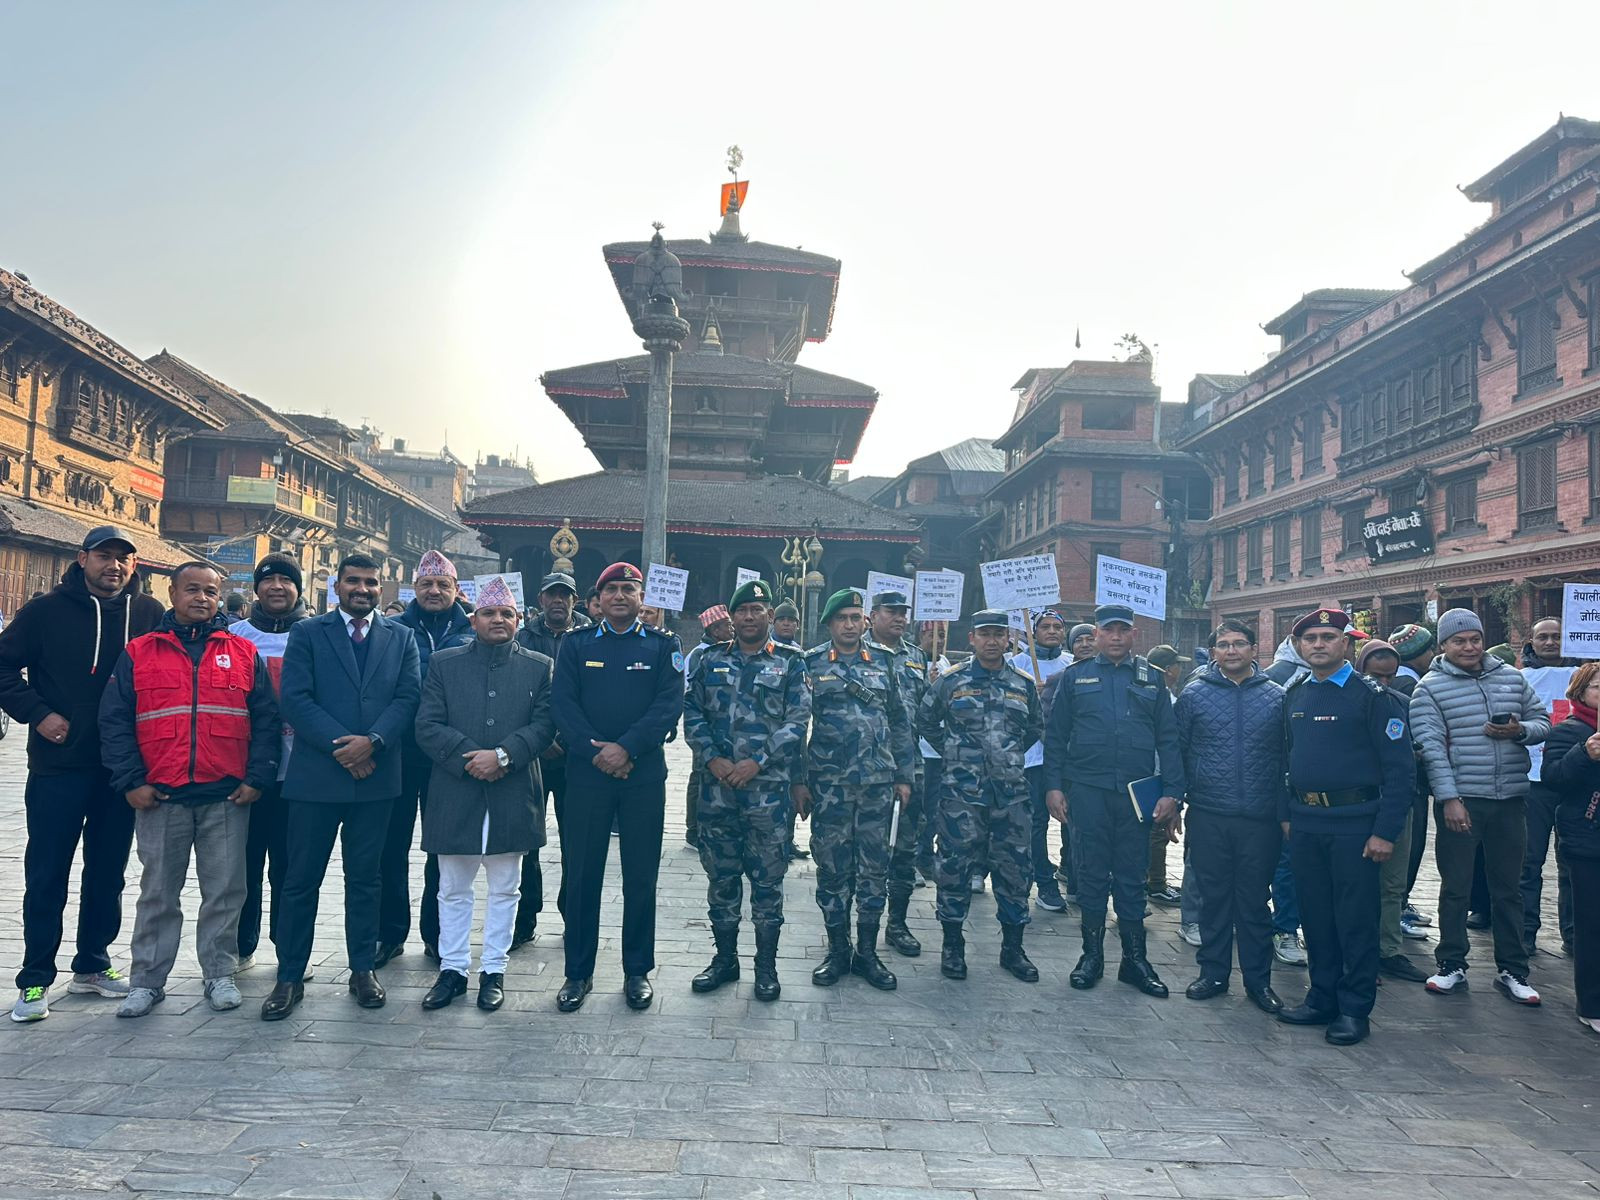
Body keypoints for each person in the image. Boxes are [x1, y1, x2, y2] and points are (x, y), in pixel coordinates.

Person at [97, 563, 279, 1016]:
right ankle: (147, 981)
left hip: (226, 795)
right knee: (158, 894)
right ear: (172, 592)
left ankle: (220, 973)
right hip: (161, 795)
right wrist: (131, 781)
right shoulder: (140, 652)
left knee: (225, 891)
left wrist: (256, 778)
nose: (201, 598)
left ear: (220, 597)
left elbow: (266, 719)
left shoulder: (242, 651)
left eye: (210, 592)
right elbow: (114, 720)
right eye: (192, 589)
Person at [0, 525, 162, 1022]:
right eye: (104, 556)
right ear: (82, 558)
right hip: (59, 765)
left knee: (108, 872)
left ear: (134, 565)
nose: (114, 566)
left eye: (123, 558)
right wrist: (38, 713)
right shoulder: (45, 611)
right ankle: (34, 978)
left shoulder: (149, 614)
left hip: (121, 768)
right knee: (47, 872)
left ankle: (92, 963)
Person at [263, 553, 422, 1021]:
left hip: (376, 777)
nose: (362, 589)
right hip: (317, 776)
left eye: (371, 582)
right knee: (300, 880)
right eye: (353, 581)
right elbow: (295, 698)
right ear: (337, 586)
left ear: (380, 586)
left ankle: (362, 969)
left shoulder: (401, 637)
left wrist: (372, 742)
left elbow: (408, 697)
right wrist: (345, 747)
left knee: (367, 879)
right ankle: (290, 975)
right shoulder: (309, 633)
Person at [413, 576, 554, 1012]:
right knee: (452, 887)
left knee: (506, 887)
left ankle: (494, 970)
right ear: (473, 620)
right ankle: (453, 970)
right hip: (455, 789)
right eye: (489, 613)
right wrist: (471, 758)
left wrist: (504, 756)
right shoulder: (444, 663)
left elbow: (546, 725)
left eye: (506, 613)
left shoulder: (539, 666)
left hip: (513, 789)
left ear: (519, 619)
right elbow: (427, 725)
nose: (498, 620)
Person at [1277, 608, 1414, 1046]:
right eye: (1310, 638)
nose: (1318, 645)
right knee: (1315, 916)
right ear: (1298, 646)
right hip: (1306, 824)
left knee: (1355, 920)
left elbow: (1401, 772)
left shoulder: (1372, 698)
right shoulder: (1294, 693)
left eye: (1328, 637)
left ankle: (1354, 1008)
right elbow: (1283, 760)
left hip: (1356, 826)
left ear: (1346, 644)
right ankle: (1321, 997)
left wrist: (1385, 832)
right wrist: (1286, 815)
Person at [550, 562, 683, 1013]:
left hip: (642, 776)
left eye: (629, 588)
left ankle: (637, 970)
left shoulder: (664, 646)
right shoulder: (577, 643)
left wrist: (626, 749)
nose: (621, 596)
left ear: (642, 597)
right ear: (598, 599)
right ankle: (577, 972)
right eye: (612, 590)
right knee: (582, 875)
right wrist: (598, 753)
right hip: (587, 776)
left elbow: (668, 705)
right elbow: (563, 704)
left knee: (641, 876)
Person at [1043, 603, 1186, 998]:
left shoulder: (1152, 679)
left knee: (1132, 875)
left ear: (1134, 634)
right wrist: (1053, 786)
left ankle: (1135, 961)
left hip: (1135, 796)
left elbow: (1168, 739)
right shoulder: (1075, 677)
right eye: (1109, 630)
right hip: (1087, 790)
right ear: (1097, 634)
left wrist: (1173, 793)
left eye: (1124, 630)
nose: (1117, 637)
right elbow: (1055, 736)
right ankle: (1091, 956)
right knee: (1090, 873)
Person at [1409, 608, 1550, 1006]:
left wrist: (1519, 731)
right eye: (1459, 641)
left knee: (1509, 889)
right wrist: (1449, 799)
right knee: (1456, 887)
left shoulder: (1512, 678)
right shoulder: (1429, 689)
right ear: (1444, 645)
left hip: (1510, 800)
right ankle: (1451, 963)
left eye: (1474, 639)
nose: (1469, 647)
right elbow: (1431, 750)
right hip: (1463, 800)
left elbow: (1543, 722)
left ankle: (1513, 969)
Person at [682, 579, 809, 1002]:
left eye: (758, 609)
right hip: (717, 791)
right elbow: (692, 712)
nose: (750, 616)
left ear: (770, 615)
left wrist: (758, 761)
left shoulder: (791, 663)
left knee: (768, 883)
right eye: (742, 610)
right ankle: (725, 960)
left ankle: (766, 967)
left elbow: (797, 721)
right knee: (721, 879)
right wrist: (712, 759)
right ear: (731, 617)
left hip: (767, 795)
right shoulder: (709, 660)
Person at [794, 588, 915, 991]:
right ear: (829, 624)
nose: (849, 625)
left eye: (855, 617)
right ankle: (837, 951)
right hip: (829, 787)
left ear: (864, 621)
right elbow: (797, 726)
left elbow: (900, 721)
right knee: (832, 869)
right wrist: (799, 780)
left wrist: (904, 776)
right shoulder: (810, 664)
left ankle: (867, 952)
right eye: (841, 618)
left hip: (877, 786)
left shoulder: (884, 662)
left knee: (874, 869)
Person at [920, 610, 1043, 983]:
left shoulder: (1023, 684)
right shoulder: (951, 681)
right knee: (954, 870)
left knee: (1015, 872)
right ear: (971, 638)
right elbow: (926, 721)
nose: (992, 641)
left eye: (998, 634)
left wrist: (1006, 758)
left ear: (1008, 639)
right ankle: (952, 946)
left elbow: (1034, 727)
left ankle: (1013, 949)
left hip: (1011, 797)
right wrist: (956, 754)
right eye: (984, 634)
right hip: (961, 797)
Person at [1174, 620, 1285, 1013]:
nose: (1232, 651)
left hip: (1260, 818)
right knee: (1214, 899)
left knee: (1254, 901)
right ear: (1213, 653)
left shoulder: (1277, 696)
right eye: (1223, 645)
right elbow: (1177, 751)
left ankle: (1259, 982)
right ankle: (1213, 973)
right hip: (1209, 813)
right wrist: (1174, 802)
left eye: (1239, 643)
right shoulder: (1194, 695)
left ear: (1254, 649)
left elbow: (1286, 758)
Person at [381, 551, 473, 967]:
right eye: (426, 584)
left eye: (443, 585)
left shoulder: (472, 630)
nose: (434, 591)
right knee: (391, 847)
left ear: (456, 589)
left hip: (449, 757)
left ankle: (439, 935)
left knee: (444, 851)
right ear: (414, 588)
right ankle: (389, 933)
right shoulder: (393, 629)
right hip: (399, 754)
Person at [229, 553, 310, 972]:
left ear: (299, 588)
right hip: (245, 773)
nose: (277, 587)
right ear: (256, 588)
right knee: (241, 866)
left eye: (286, 580)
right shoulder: (233, 636)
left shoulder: (316, 635)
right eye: (269, 579)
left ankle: (288, 949)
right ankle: (240, 945)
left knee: (290, 867)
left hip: (299, 774)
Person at [512, 571, 591, 946]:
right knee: (526, 839)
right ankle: (524, 917)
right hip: (534, 755)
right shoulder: (522, 636)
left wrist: (572, 737)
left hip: (577, 755)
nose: (558, 601)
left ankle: (573, 915)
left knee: (577, 842)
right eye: (552, 595)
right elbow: (514, 694)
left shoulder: (590, 636)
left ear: (575, 600)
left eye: (565, 595)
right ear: (541, 599)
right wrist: (540, 740)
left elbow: (596, 696)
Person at [1354, 639, 1430, 985]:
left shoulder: (1403, 703)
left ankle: (1389, 950)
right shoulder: (1350, 701)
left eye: (1390, 676)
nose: (1383, 683)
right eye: (1376, 675)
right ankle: (1358, 953)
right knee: (1357, 884)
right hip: (1359, 806)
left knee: (1393, 884)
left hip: (1398, 804)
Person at [867, 590, 933, 955]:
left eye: (903, 613)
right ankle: (860, 928)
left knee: (905, 850)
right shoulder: (856, 652)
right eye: (891, 612)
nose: (900, 619)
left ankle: (897, 924)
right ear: (873, 615)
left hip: (910, 768)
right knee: (865, 852)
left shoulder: (917, 657)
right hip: (866, 769)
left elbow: (926, 710)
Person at [1538, 663, 1600, 1034]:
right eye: (1598, 686)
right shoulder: (1570, 731)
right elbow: (1553, 778)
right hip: (1587, 838)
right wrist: (1584, 754)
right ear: (1580, 692)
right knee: (1591, 924)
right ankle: (1591, 1003)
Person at [1519, 619, 1576, 958]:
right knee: (1528, 862)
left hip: (1575, 781)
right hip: (1534, 782)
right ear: (1532, 641)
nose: (1551, 642)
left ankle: (1574, 933)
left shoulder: (1585, 676)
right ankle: (1525, 931)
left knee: (1573, 861)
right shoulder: (1520, 678)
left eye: (1557, 636)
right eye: (1544, 637)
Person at [1009, 610, 1072, 913]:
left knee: (1072, 820)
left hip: (1066, 758)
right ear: (1033, 633)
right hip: (1032, 757)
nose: (1051, 631)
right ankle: (1044, 882)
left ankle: (1073, 872)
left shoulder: (1072, 664)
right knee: (1036, 822)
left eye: (1057, 626)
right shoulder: (1016, 664)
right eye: (1045, 626)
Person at [1388, 621, 1439, 936]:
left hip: (1406, 781)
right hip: (1411, 781)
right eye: (1428, 649)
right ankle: (1399, 907)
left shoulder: (1407, 681)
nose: (1432, 654)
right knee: (1409, 847)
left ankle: (1400, 904)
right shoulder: (1409, 686)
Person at [682, 605, 734, 850]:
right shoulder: (701, 654)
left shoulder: (728, 650)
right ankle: (693, 829)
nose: (731, 629)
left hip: (725, 729)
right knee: (698, 777)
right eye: (727, 626)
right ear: (715, 630)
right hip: (704, 728)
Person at [1144, 644, 1191, 909]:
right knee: (1157, 831)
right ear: (1168, 670)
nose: (1179, 670)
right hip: (1158, 774)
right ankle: (1156, 884)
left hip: (1153, 772)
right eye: (1177, 665)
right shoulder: (1167, 700)